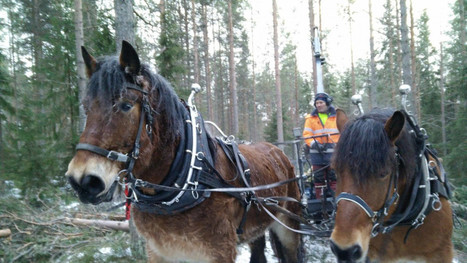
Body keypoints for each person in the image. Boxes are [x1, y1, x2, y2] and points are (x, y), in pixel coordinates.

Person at [302, 92, 340, 199]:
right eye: (317, 103)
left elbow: (343, 132)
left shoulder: (336, 117)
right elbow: (307, 134)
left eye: (321, 102)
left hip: (333, 154)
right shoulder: (310, 119)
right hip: (316, 154)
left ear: (327, 103)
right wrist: (314, 144)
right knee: (318, 179)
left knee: (333, 177)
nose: (318, 105)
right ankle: (319, 201)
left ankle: (335, 200)